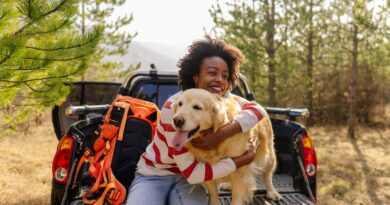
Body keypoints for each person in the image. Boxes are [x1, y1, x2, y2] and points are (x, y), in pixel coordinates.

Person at [126, 37, 267, 205]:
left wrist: (221, 134)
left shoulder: (224, 100)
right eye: (212, 73)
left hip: (191, 181)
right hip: (155, 174)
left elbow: (258, 110)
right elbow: (194, 172)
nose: (220, 79)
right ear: (195, 77)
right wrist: (240, 161)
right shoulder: (175, 106)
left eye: (225, 75)